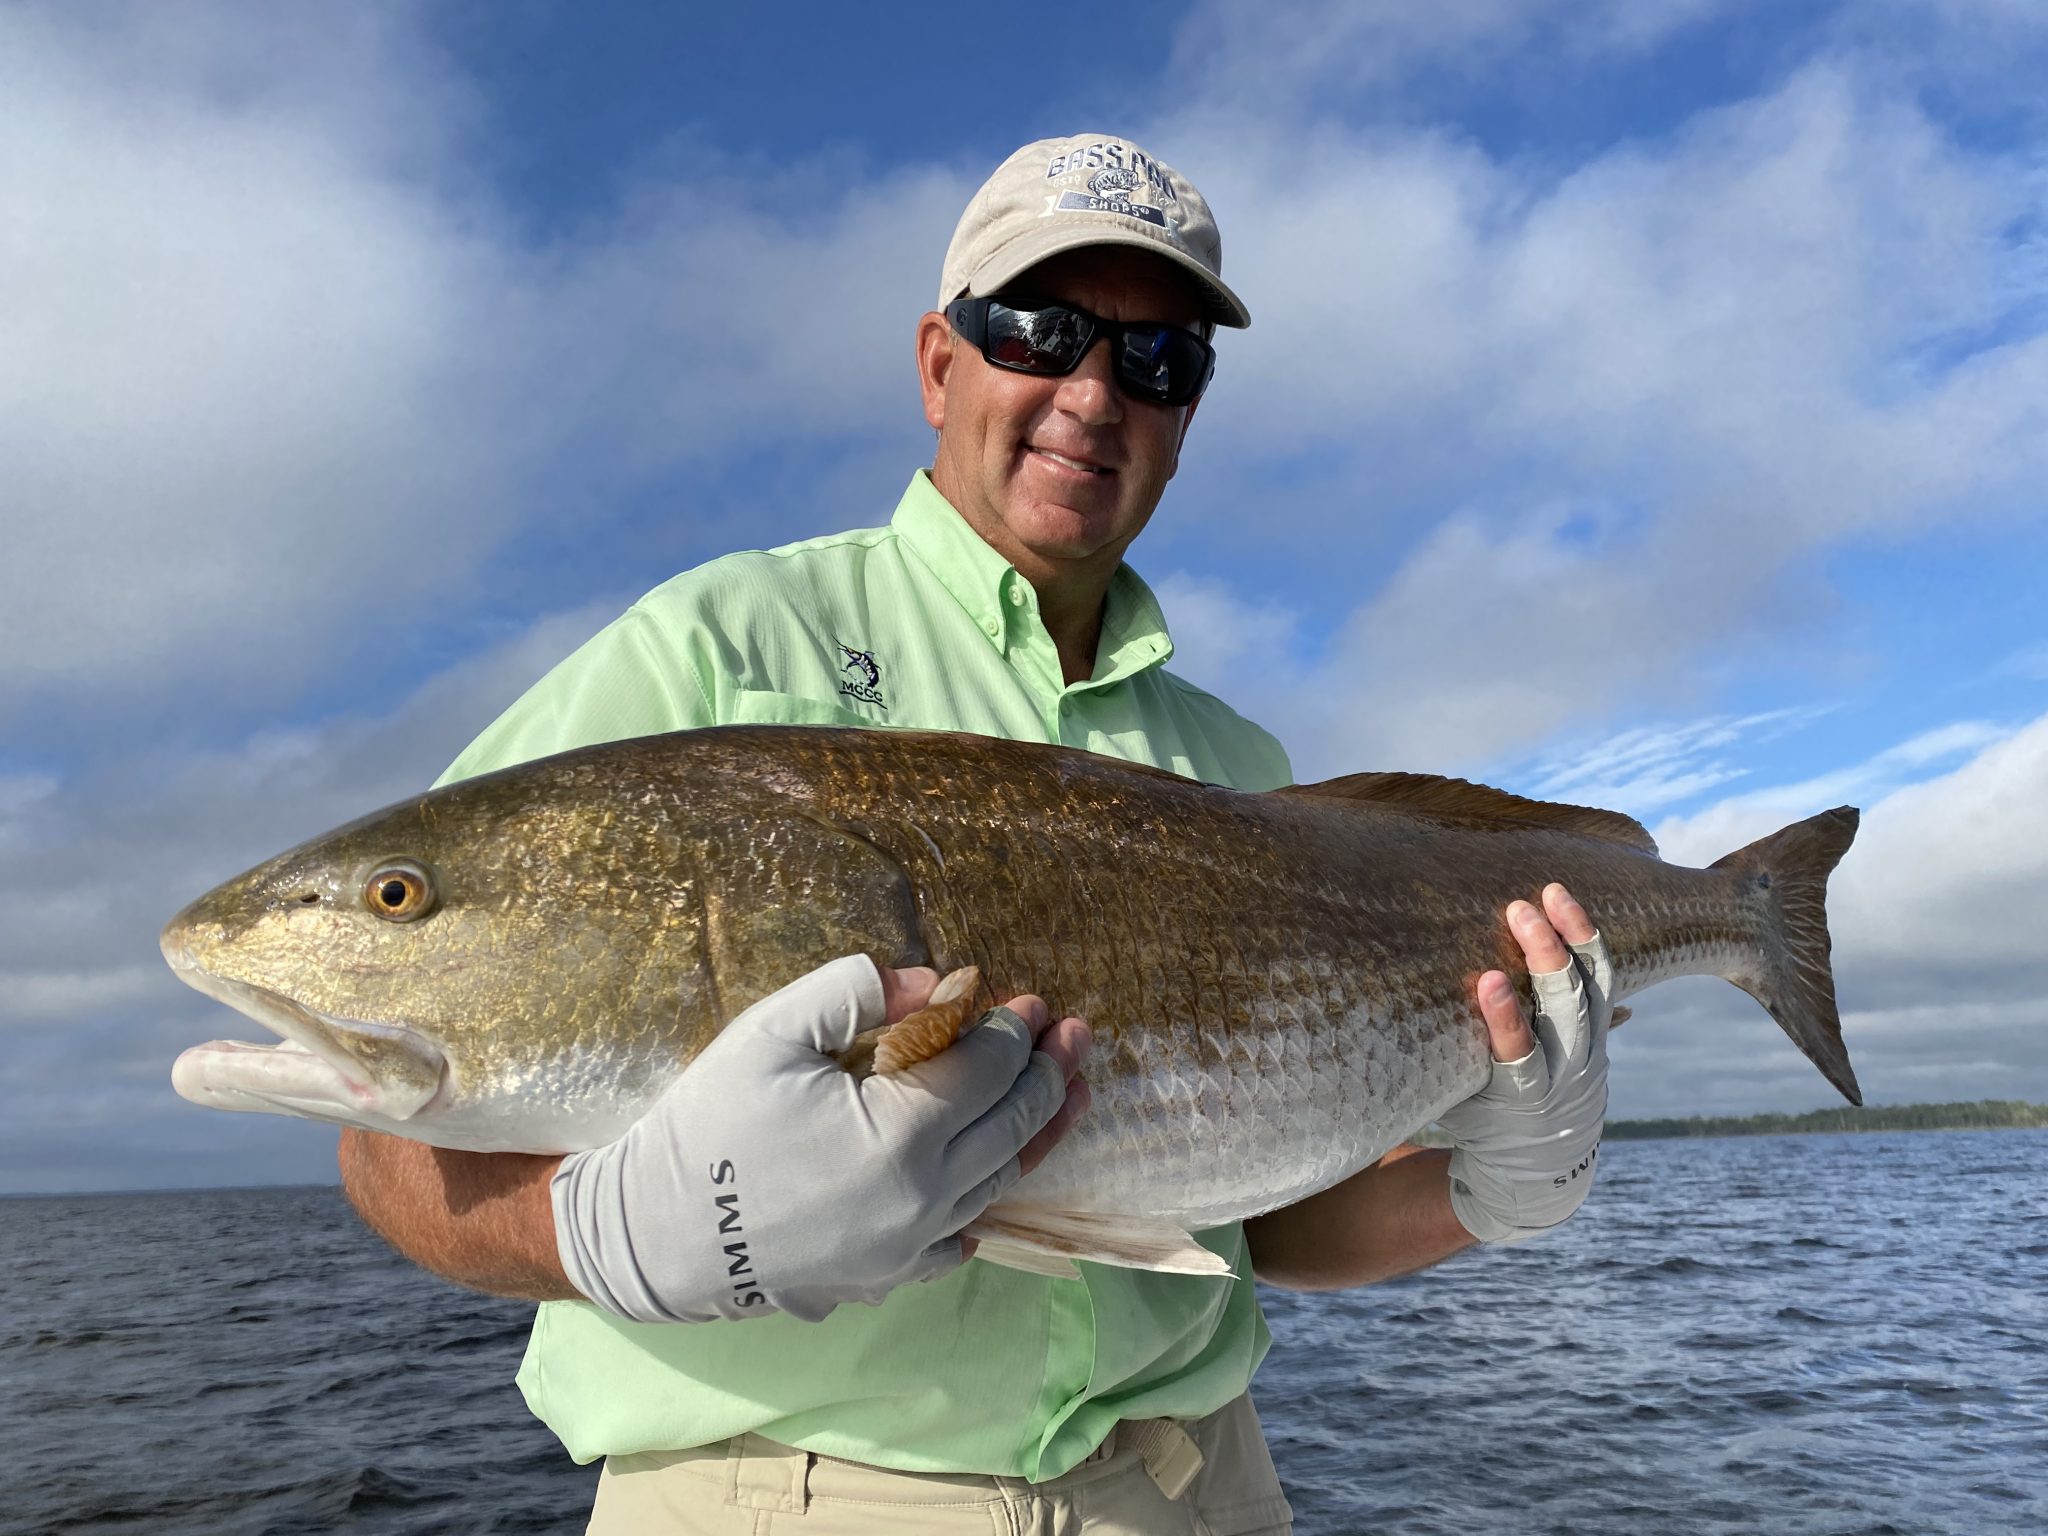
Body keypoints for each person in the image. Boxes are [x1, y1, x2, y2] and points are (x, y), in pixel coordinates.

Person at [339, 133, 1611, 1535]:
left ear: (1189, 415)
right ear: (942, 363)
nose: (1093, 393)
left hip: (1202, 1490)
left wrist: (1498, 1192)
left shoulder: (1239, 767)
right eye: (1042, 329)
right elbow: (391, 1150)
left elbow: (1269, 1223)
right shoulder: (711, 652)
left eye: (1156, 358)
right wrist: (610, 1236)